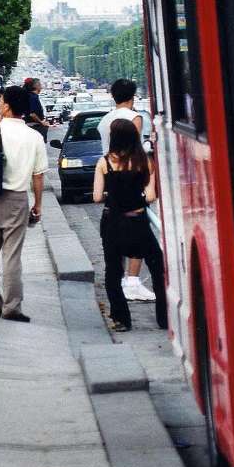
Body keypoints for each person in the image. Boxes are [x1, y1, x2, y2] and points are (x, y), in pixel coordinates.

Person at [0, 85, 48, 322]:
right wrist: (38, 204)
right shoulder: (34, 137)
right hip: (17, 198)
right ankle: (12, 306)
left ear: (7, 106)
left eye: (1, 101)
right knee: (12, 254)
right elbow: (38, 175)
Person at [93, 119, 168, 332]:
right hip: (137, 222)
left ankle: (122, 319)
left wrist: (113, 194)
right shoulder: (146, 162)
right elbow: (151, 196)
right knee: (156, 265)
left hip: (112, 223)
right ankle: (163, 317)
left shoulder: (104, 163)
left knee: (113, 270)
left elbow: (98, 197)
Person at [96, 78, 154, 304]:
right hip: (130, 175)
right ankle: (133, 281)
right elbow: (135, 148)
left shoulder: (104, 120)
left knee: (115, 235)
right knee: (137, 233)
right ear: (133, 97)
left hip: (109, 172)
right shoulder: (134, 118)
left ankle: (119, 281)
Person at [23, 77, 50, 142]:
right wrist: (42, 123)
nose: (41, 87)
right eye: (40, 85)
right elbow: (32, 114)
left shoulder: (29, 96)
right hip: (35, 126)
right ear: (37, 87)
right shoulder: (33, 97)